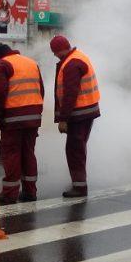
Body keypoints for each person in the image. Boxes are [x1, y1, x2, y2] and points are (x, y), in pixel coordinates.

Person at [0, 42, 44, 204]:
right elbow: (41, 90)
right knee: (28, 153)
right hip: (33, 117)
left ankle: (9, 194)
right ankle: (30, 192)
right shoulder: (31, 63)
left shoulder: (2, 65)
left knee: (11, 154)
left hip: (13, 118)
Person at [50, 35, 100, 197]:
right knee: (78, 148)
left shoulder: (71, 63)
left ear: (60, 50)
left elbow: (70, 94)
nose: (55, 55)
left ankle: (79, 187)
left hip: (79, 113)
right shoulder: (78, 57)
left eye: (55, 52)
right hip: (86, 111)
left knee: (74, 150)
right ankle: (78, 182)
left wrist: (63, 119)